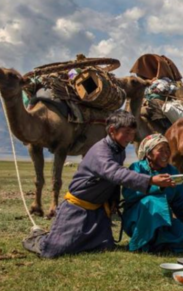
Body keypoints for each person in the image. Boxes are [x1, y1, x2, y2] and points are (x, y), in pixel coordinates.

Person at [22, 110, 174, 258]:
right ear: (113, 130)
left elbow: (113, 180)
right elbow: (114, 172)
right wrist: (150, 180)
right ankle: (36, 238)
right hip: (77, 208)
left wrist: (113, 199)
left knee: (104, 246)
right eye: (127, 132)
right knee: (52, 250)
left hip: (97, 212)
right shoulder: (101, 151)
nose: (130, 137)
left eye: (133, 133)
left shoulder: (119, 149)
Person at [122, 134, 183, 253]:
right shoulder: (137, 168)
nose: (166, 154)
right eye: (161, 150)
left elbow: (181, 204)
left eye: (167, 149)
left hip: (164, 220)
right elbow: (129, 193)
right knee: (152, 201)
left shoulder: (172, 172)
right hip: (138, 220)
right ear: (148, 154)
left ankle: (157, 245)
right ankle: (140, 243)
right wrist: (157, 187)